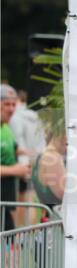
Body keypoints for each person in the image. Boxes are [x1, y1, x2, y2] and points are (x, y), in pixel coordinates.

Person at [1, 84, 30, 230]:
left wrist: (35, 156)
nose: (11, 109)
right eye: (6, 104)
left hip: (5, 201)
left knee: (8, 243)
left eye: (14, 104)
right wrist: (15, 170)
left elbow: (14, 148)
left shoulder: (6, 127)